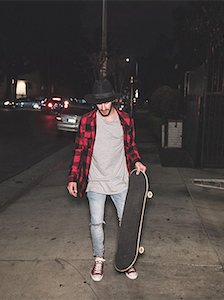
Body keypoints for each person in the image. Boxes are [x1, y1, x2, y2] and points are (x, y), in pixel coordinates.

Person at [67, 79, 146, 282]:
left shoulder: (125, 120)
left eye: (106, 102)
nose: (102, 107)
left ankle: (127, 260)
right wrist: (73, 178)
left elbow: (131, 146)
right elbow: (79, 150)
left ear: (113, 100)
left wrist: (137, 161)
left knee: (126, 223)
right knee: (96, 223)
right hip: (95, 180)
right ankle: (99, 259)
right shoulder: (87, 121)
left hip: (120, 180)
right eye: (99, 103)